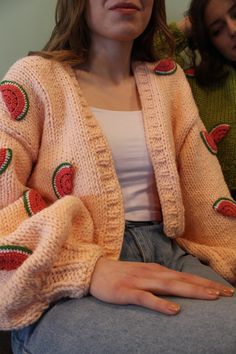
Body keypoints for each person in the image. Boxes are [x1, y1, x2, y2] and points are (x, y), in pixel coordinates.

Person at [0, 0, 235, 353]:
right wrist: (83, 268)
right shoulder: (34, 77)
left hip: (171, 252)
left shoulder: (168, 80)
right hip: (67, 262)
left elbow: (205, 188)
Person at [154, 0, 236, 198]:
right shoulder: (196, 85)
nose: (232, 30)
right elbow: (147, 59)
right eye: (217, 30)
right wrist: (192, 24)